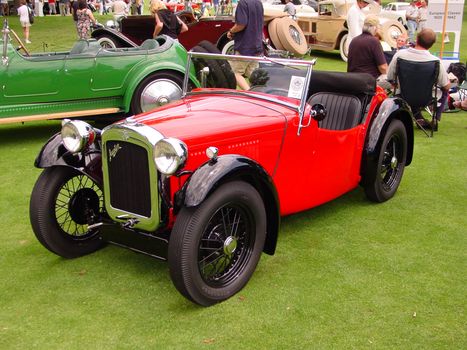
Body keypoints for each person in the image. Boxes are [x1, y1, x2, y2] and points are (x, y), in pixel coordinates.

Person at [387, 28, 450, 129]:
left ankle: (418, 117)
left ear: (416, 38)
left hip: (403, 94)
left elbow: (390, 77)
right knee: (445, 89)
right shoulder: (436, 61)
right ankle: (435, 119)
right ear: (432, 44)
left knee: (411, 87)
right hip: (426, 97)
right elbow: (446, 85)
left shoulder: (400, 55)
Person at [227, 0, 264, 90]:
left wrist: (231, 31)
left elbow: (241, 24)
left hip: (245, 46)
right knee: (253, 76)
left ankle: (251, 94)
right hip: (257, 45)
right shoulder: (259, 3)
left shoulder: (243, 3)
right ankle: (260, 96)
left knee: (235, 73)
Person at [347, 15, 388, 86]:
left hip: (352, 79)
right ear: (375, 28)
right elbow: (383, 68)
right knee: (396, 81)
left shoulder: (354, 40)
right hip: (368, 81)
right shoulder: (374, 41)